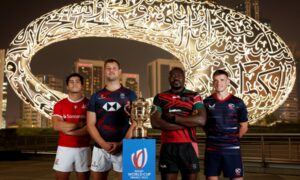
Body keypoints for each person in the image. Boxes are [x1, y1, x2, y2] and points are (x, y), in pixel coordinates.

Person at [150, 67, 207, 180]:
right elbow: (155, 123)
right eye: (173, 76)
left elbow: (201, 120)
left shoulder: (194, 96)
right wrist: (189, 121)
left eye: (179, 75)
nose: (176, 78)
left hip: (189, 146)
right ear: (168, 79)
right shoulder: (160, 97)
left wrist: (173, 118)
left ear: (184, 78)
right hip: (168, 146)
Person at [87, 58, 137, 180]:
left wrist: (121, 144)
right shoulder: (96, 96)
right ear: (104, 72)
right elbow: (90, 124)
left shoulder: (130, 95)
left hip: (124, 147)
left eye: (114, 68)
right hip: (100, 148)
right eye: (108, 68)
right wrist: (103, 144)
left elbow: (136, 122)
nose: (111, 71)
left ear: (120, 71)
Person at [203, 69, 248, 180]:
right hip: (212, 149)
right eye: (216, 80)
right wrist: (214, 136)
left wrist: (233, 139)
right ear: (213, 82)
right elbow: (203, 125)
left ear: (228, 82)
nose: (219, 83)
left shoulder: (238, 102)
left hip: (232, 150)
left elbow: (244, 126)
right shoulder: (206, 102)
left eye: (222, 80)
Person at [52, 73, 91, 180]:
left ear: (82, 85)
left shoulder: (90, 104)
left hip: (83, 148)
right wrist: (79, 124)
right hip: (64, 148)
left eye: (77, 81)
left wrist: (68, 130)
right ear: (67, 86)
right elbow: (56, 125)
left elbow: (89, 129)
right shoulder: (59, 104)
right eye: (71, 82)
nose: (74, 84)